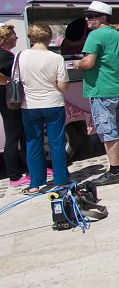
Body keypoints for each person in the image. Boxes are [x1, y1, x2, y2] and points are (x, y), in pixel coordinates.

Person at [74, 1, 119, 186]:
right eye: (87, 15)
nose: (87, 19)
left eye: (91, 16)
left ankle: (114, 171)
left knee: (108, 130)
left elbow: (89, 62)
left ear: (103, 18)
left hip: (102, 89)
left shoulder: (95, 35)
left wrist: (77, 64)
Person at [18, 24, 70, 194]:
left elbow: (17, 80)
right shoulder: (56, 58)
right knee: (57, 143)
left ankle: (35, 183)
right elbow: (63, 86)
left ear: (31, 38)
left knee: (33, 143)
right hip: (53, 103)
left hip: (30, 105)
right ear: (49, 37)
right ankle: (61, 180)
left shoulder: (21, 56)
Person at [0, 24, 29, 187]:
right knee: (13, 135)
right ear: (5, 38)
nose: (16, 37)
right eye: (13, 35)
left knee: (21, 133)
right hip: (9, 100)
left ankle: (28, 169)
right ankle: (15, 176)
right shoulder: (3, 55)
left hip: (7, 100)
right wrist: (8, 82)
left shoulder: (6, 54)